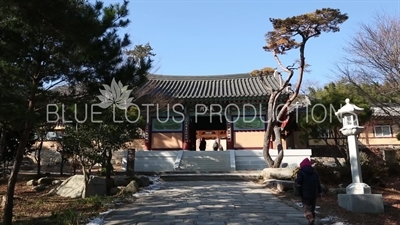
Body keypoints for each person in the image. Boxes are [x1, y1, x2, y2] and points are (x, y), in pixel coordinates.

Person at [295, 158, 322, 225]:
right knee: (312, 207)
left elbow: (299, 181)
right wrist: (320, 192)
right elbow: (318, 183)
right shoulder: (315, 172)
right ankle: (312, 221)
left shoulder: (301, 172)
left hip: (305, 193)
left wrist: (296, 182)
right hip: (314, 193)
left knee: (306, 207)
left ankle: (310, 218)